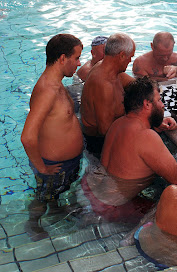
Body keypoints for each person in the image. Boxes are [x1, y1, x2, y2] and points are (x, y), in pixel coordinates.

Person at [81, 77, 177, 224]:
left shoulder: (119, 123)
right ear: (147, 104)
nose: (162, 105)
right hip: (112, 207)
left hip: (92, 189)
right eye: (159, 100)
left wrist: (154, 124)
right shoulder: (145, 136)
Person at [21, 34, 84, 241]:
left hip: (64, 163)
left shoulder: (57, 84)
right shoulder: (47, 90)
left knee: (53, 194)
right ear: (63, 58)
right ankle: (32, 224)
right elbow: (27, 137)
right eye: (76, 58)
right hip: (52, 164)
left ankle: (56, 210)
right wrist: (42, 168)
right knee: (42, 196)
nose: (79, 63)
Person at [80, 33, 136, 158]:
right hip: (99, 144)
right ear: (122, 55)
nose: (130, 60)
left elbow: (137, 85)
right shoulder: (103, 84)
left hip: (111, 133)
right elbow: (106, 131)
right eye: (130, 57)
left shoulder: (109, 68)